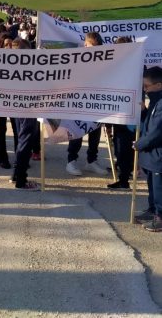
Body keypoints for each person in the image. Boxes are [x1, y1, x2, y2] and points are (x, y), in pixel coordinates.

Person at [66, 32, 107, 177]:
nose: (85, 46)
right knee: (77, 131)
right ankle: (71, 160)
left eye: (88, 44)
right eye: (86, 44)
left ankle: (91, 160)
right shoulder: (79, 59)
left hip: (96, 102)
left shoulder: (104, 59)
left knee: (95, 132)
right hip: (79, 102)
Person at [134, 66, 162, 232]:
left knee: (159, 188)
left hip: (158, 155)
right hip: (152, 156)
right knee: (152, 186)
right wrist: (144, 113)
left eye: (146, 86)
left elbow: (156, 132)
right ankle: (153, 211)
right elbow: (149, 124)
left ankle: (160, 216)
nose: (144, 90)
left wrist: (140, 144)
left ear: (158, 85)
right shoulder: (155, 101)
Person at [10, 38, 40, 190]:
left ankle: (16, 174)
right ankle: (21, 180)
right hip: (28, 108)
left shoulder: (9, 64)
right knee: (25, 141)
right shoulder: (28, 65)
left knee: (22, 140)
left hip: (17, 106)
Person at [106, 36, 136, 190]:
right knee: (120, 146)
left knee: (123, 147)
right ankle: (124, 172)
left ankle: (124, 179)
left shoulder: (133, 66)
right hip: (119, 112)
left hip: (127, 115)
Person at [0, 32, 18, 169]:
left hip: (15, 98)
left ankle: (19, 156)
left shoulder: (20, 59)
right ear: (1, 46)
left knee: (17, 129)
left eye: (11, 44)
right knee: (1, 129)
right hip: (0, 98)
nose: (9, 47)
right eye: (6, 44)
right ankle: (2, 158)